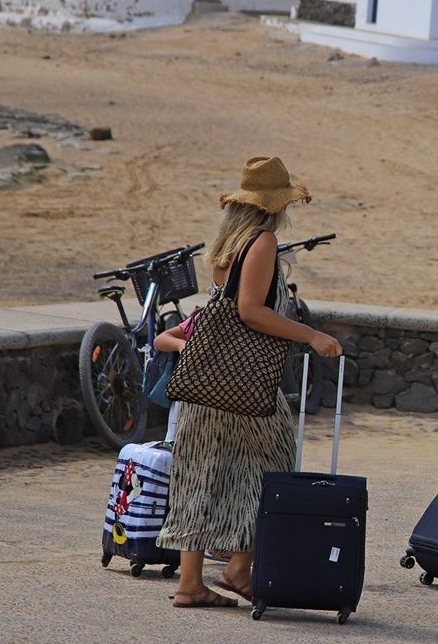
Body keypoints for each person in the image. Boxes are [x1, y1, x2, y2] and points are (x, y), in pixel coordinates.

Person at [155, 157, 343, 608]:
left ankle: (190, 583)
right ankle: (239, 568)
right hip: (243, 384)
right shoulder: (262, 243)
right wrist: (312, 335)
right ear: (275, 206)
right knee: (272, 462)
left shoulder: (226, 247)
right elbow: (250, 312)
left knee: (200, 471)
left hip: (206, 381)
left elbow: (223, 310)